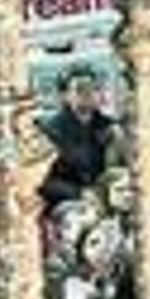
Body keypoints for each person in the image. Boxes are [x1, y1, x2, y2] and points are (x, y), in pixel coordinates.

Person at [38, 66, 118, 208]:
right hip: (67, 205)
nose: (88, 94)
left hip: (106, 199)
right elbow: (43, 180)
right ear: (65, 96)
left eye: (93, 88)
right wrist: (79, 193)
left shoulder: (109, 126)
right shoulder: (50, 131)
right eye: (80, 89)